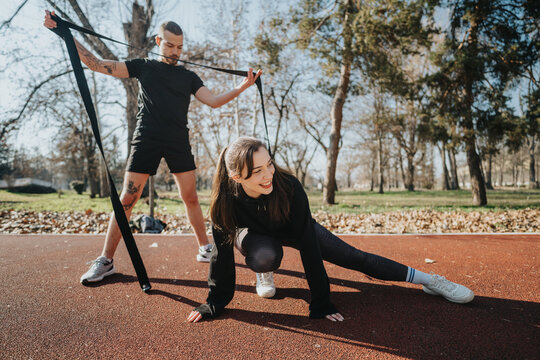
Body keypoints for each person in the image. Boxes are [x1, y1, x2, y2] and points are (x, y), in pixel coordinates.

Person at [43, 11, 262, 284]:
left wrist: (243, 86)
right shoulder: (143, 66)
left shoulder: (188, 77)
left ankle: (205, 248)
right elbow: (98, 65)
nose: (175, 51)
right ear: (158, 40)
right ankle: (105, 260)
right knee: (127, 200)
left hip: (177, 140)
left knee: (191, 198)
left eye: (180, 47)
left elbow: (214, 101)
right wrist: (66, 34)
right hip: (146, 138)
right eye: (170, 45)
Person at [187, 137, 474, 323]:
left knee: (355, 258)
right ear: (238, 177)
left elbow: (309, 247)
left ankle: (431, 280)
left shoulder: (290, 187)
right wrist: (214, 301)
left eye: (269, 164)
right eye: (258, 171)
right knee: (265, 255)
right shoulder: (225, 201)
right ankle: (264, 270)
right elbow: (220, 256)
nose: (268, 174)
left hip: (295, 228)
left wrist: (321, 300)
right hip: (253, 236)